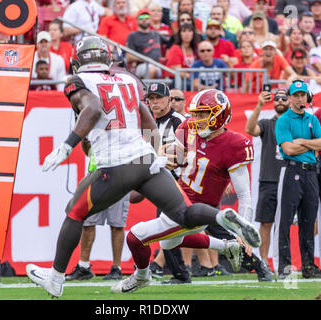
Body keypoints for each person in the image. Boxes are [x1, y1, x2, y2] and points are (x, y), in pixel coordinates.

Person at [25, 36, 261, 297]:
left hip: (114, 164)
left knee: (74, 212)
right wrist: (153, 151)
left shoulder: (78, 82)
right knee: (182, 214)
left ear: (78, 61)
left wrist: (67, 145)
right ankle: (221, 218)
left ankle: (56, 278)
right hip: (145, 160)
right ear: (107, 58)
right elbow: (146, 117)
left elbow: (91, 110)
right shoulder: (126, 79)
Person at [112, 89, 268, 293]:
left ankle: (141, 276)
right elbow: (175, 155)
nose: (197, 119)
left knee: (134, 236)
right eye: (195, 114)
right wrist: (165, 157)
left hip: (198, 210)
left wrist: (244, 228)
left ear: (219, 115)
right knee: (168, 244)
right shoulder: (188, 128)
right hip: (178, 197)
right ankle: (226, 246)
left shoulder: (235, 144)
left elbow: (244, 194)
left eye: (203, 114)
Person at [143, 82, 191, 284]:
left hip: (180, 181)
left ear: (169, 100)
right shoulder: (149, 124)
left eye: (158, 98)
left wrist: (172, 159)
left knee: (209, 226)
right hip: (162, 181)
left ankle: (252, 259)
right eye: (151, 99)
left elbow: (193, 152)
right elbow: (148, 159)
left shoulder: (180, 121)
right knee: (167, 228)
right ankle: (180, 273)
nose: (154, 102)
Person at [274, 79, 321, 279]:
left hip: (311, 172)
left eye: (303, 95)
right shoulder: (284, 120)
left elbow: (319, 144)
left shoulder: (313, 120)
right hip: (291, 171)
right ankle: (284, 266)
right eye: (296, 95)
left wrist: (302, 142)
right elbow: (288, 149)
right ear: (290, 98)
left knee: (308, 221)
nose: (300, 98)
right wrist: (310, 144)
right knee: (285, 220)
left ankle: (309, 266)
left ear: (306, 97)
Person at [65, 149, 130, 281]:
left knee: (117, 224)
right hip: (96, 176)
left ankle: (116, 268)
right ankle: (83, 267)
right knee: (88, 223)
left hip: (120, 177)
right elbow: (87, 149)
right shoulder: (94, 129)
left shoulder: (125, 129)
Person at [245, 89, 289, 266]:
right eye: (276, 98)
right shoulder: (266, 123)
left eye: (283, 98)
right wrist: (259, 105)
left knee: (299, 222)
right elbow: (250, 129)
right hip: (269, 180)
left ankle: (285, 261)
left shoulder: (296, 124)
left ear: (290, 100)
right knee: (266, 223)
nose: (279, 100)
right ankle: (263, 262)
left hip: (292, 179)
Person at [126, 9, 166, 79]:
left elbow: (170, 43)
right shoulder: (133, 35)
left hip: (158, 65)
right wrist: (145, 59)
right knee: (152, 70)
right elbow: (128, 56)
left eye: (147, 17)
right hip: (141, 65)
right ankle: (148, 90)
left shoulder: (155, 33)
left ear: (150, 20)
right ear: (137, 20)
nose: (144, 19)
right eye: (141, 18)